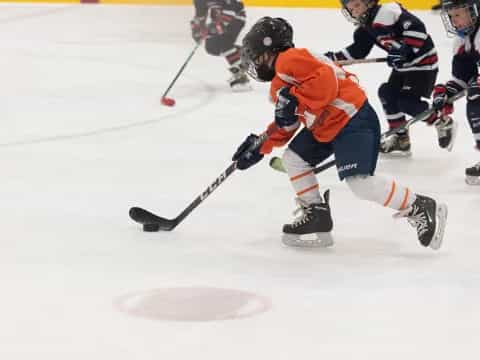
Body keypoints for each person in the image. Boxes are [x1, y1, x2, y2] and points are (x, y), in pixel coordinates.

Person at [233, 17, 447, 249]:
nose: (254, 62)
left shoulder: (289, 59)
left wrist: (295, 99)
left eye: (255, 55)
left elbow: (326, 83)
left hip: (352, 119)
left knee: (360, 184)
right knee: (294, 159)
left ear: (269, 47)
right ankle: (316, 214)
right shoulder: (277, 86)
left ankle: (420, 205)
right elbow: (288, 123)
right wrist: (261, 145)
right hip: (325, 127)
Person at [324, 0, 455, 156]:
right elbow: (358, 51)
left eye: (357, 6)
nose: (354, 12)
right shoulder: (366, 28)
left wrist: (403, 51)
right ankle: (401, 139)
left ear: (369, 3)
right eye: (350, 9)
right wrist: (332, 58)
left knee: (406, 102)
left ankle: (442, 121)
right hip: (403, 67)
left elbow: (418, 29)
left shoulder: (387, 12)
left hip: (423, 64)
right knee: (387, 93)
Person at [435, 0, 480, 184]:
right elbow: (463, 78)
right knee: (475, 99)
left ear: (474, 10)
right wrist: (447, 92)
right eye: (451, 16)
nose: (454, 21)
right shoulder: (463, 41)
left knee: (476, 97)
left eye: (458, 14)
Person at [190, 0, 250, 91]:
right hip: (217, 21)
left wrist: (215, 27)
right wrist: (197, 29)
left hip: (236, 17)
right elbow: (200, 15)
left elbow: (232, 9)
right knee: (212, 48)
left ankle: (241, 76)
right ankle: (249, 54)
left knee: (224, 43)